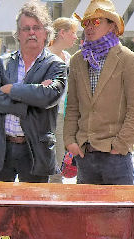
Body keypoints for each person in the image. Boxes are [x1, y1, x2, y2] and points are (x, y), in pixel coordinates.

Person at [64, 0, 134, 186]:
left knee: (119, 213)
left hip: (115, 155)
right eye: (86, 23)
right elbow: (72, 106)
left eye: (96, 22)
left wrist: (120, 145)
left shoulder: (129, 60)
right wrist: (70, 140)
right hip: (85, 152)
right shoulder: (78, 60)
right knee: (86, 214)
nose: (89, 27)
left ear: (112, 26)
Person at [0, 1, 67, 183]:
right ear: (18, 34)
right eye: (26, 28)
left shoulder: (55, 65)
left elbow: (48, 97)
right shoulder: (2, 63)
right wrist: (28, 102)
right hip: (0, 149)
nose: (31, 33)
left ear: (45, 33)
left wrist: (12, 89)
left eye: (36, 28)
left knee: (33, 210)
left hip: (36, 151)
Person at [49, 16, 80, 182]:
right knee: (55, 166)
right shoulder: (45, 56)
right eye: (73, 33)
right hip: (52, 115)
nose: (76, 37)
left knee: (60, 164)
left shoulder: (68, 57)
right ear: (62, 33)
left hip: (66, 115)